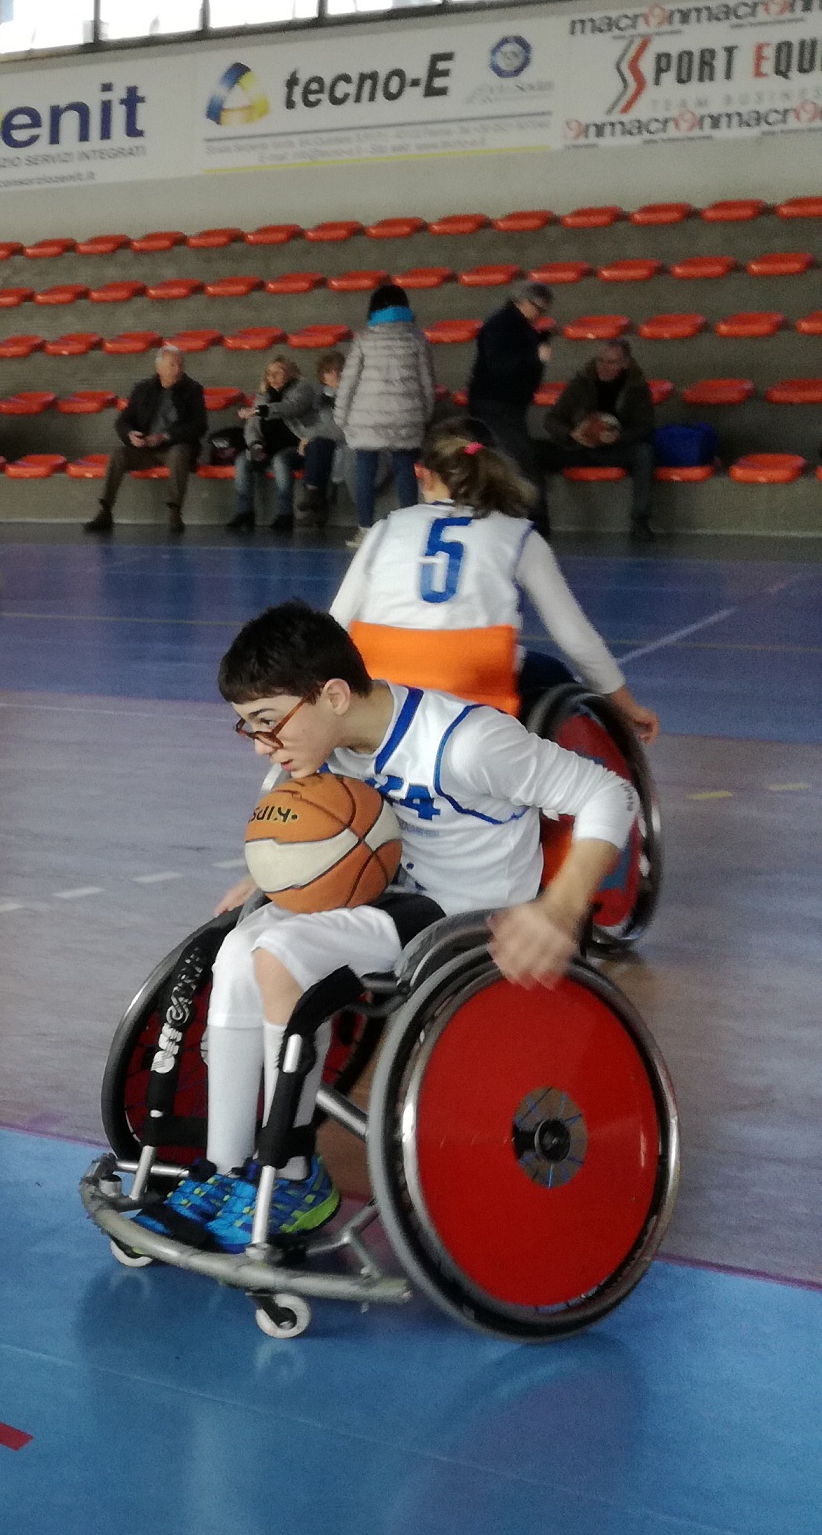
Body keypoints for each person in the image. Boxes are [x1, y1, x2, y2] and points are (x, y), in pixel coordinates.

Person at [137, 600, 637, 1254]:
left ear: (335, 695)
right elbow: (295, 823)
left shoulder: (464, 743)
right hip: (392, 899)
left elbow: (609, 795)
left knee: (281, 952)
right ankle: (227, 1169)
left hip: (467, 918)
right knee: (238, 948)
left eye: (266, 724)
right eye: (247, 728)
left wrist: (561, 906)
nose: (261, 744)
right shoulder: (322, 743)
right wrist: (272, 875)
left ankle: (293, 1175)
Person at [332, 424, 661, 738]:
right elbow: (576, 638)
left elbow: (336, 623)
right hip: (472, 676)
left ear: (426, 478)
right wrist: (625, 706)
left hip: (380, 679)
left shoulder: (384, 528)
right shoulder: (518, 534)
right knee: (555, 677)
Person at [334, 280, 438, 536]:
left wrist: (341, 415)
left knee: (365, 470)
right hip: (407, 416)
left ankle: (365, 528)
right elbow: (427, 381)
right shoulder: (417, 337)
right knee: (405, 470)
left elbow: (349, 381)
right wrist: (424, 413)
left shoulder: (365, 338)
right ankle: (409, 529)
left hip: (366, 417)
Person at [538, 336, 660, 545]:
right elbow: (551, 420)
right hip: (578, 448)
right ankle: (538, 520)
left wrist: (618, 437)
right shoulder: (581, 383)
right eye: (600, 361)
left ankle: (640, 522)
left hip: (615, 450)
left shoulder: (637, 388)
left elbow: (645, 427)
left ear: (625, 364)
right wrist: (571, 432)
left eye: (611, 362)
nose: (603, 367)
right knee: (532, 450)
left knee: (644, 453)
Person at [82, 345, 207, 533]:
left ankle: (175, 511)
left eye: (180, 365)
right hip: (145, 449)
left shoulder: (193, 390)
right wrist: (131, 435)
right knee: (118, 455)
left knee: (179, 453)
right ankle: (105, 511)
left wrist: (165, 436)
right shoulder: (142, 390)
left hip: (173, 446)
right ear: (159, 369)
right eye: (172, 365)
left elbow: (199, 426)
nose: (178, 369)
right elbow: (123, 421)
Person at [464, 279, 556, 528]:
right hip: (496, 403)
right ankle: (536, 519)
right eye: (538, 308)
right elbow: (498, 365)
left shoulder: (516, 325)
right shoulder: (502, 325)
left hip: (503, 403)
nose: (540, 314)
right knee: (521, 460)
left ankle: (503, 515)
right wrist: (534, 356)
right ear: (523, 301)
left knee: (502, 459)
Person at [226, 353, 320, 533]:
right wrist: (255, 445)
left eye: (278, 372)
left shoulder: (303, 389)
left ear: (290, 373)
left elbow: (290, 407)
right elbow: (252, 427)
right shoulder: (263, 396)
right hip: (268, 447)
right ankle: (245, 512)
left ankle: (285, 513)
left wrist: (259, 411)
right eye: (269, 373)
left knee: (280, 460)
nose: (273, 377)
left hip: (297, 447)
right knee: (242, 460)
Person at [296, 347, 348, 531]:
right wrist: (306, 437)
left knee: (317, 445)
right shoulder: (321, 397)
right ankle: (315, 499)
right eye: (328, 371)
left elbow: (339, 428)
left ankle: (313, 495)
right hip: (324, 442)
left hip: (347, 440)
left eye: (338, 370)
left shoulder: (352, 396)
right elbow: (311, 423)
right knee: (316, 446)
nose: (333, 375)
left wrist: (310, 436)